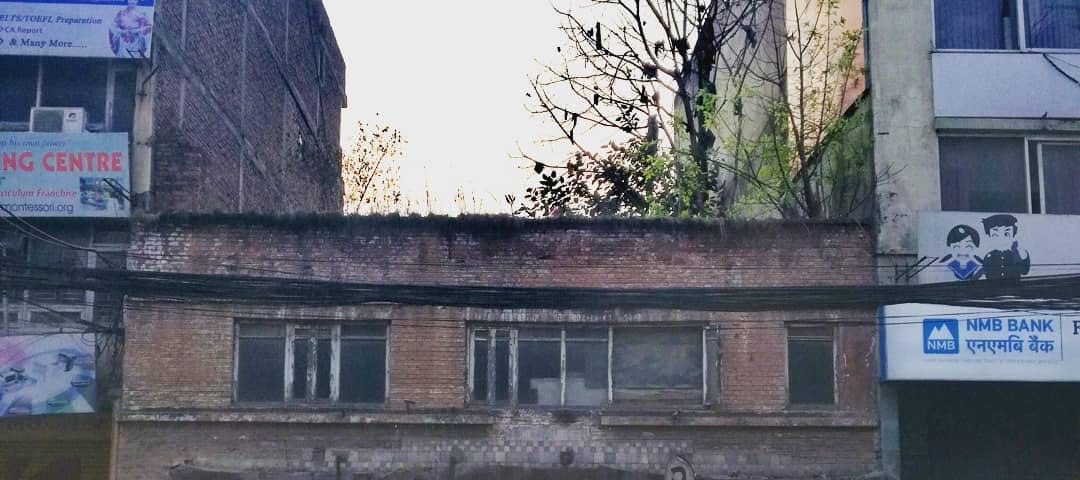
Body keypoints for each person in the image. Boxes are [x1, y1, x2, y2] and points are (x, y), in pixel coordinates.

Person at [980, 214, 1030, 280]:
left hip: (1013, 287)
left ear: (1013, 233)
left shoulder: (1015, 253)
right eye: (995, 235)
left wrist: (1022, 254)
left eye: (1006, 233)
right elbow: (986, 272)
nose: (1001, 238)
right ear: (989, 235)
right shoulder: (989, 255)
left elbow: (1024, 271)